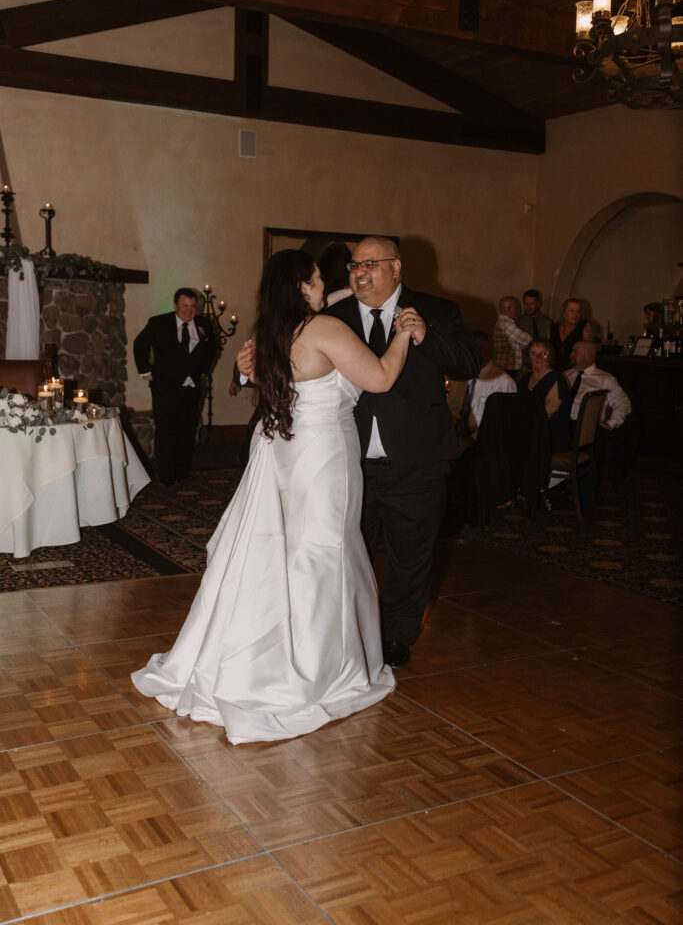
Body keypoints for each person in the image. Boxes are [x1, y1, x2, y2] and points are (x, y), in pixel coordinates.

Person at [132, 249, 415, 745]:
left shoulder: (269, 334)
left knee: (287, 550)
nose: (325, 285)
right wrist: (403, 338)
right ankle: (318, 669)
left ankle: (270, 656)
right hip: (325, 456)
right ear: (302, 287)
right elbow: (381, 378)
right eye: (316, 279)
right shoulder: (325, 329)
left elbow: (254, 379)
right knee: (326, 553)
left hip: (284, 449)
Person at [322, 236, 480, 668]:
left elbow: (468, 363)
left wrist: (426, 336)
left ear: (397, 268)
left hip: (417, 461)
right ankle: (349, 635)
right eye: (354, 265)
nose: (359, 272)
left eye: (370, 264)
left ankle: (396, 638)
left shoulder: (438, 311)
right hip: (348, 462)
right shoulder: (333, 318)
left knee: (411, 560)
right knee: (345, 556)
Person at [133, 288, 216, 485]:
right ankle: (167, 475)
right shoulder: (159, 323)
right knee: (166, 429)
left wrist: (202, 370)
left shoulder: (204, 325)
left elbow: (212, 350)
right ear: (175, 305)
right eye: (185, 306)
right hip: (165, 386)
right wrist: (145, 371)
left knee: (187, 429)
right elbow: (140, 344)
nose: (189, 311)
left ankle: (183, 471)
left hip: (192, 386)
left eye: (193, 306)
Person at [565, 340, 636, 489]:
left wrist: (610, 424)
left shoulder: (605, 379)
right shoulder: (565, 375)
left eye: (574, 351)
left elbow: (624, 404)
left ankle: (585, 490)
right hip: (563, 425)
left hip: (588, 430)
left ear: (587, 355)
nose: (571, 355)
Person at [447, 330, 516, 444]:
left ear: (490, 350)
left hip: (486, 444)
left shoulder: (503, 382)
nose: (476, 352)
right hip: (455, 442)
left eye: (481, 347)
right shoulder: (460, 378)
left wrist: (470, 440)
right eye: (472, 348)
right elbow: (451, 411)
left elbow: (502, 423)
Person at [517, 337, 571, 453]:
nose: (539, 357)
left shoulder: (556, 378)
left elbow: (549, 410)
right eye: (534, 353)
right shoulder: (524, 379)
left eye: (544, 353)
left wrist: (521, 423)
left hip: (549, 435)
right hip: (529, 431)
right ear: (528, 357)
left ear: (550, 356)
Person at [492, 296, 533, 377]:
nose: (519, 310)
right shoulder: (506, 324)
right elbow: (528, 340)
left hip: (505, 367)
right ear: (509, 308)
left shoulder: (501, 322)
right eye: (516, 308)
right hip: (508, 368)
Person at [549, 298, 593, 372]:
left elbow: (589, 353)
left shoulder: (584, 327)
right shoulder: (553, 327)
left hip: (575, 371)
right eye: (572, 311)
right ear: (564, 313)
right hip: (554, 370)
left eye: (578, 311)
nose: (575, 314)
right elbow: (548, 350)